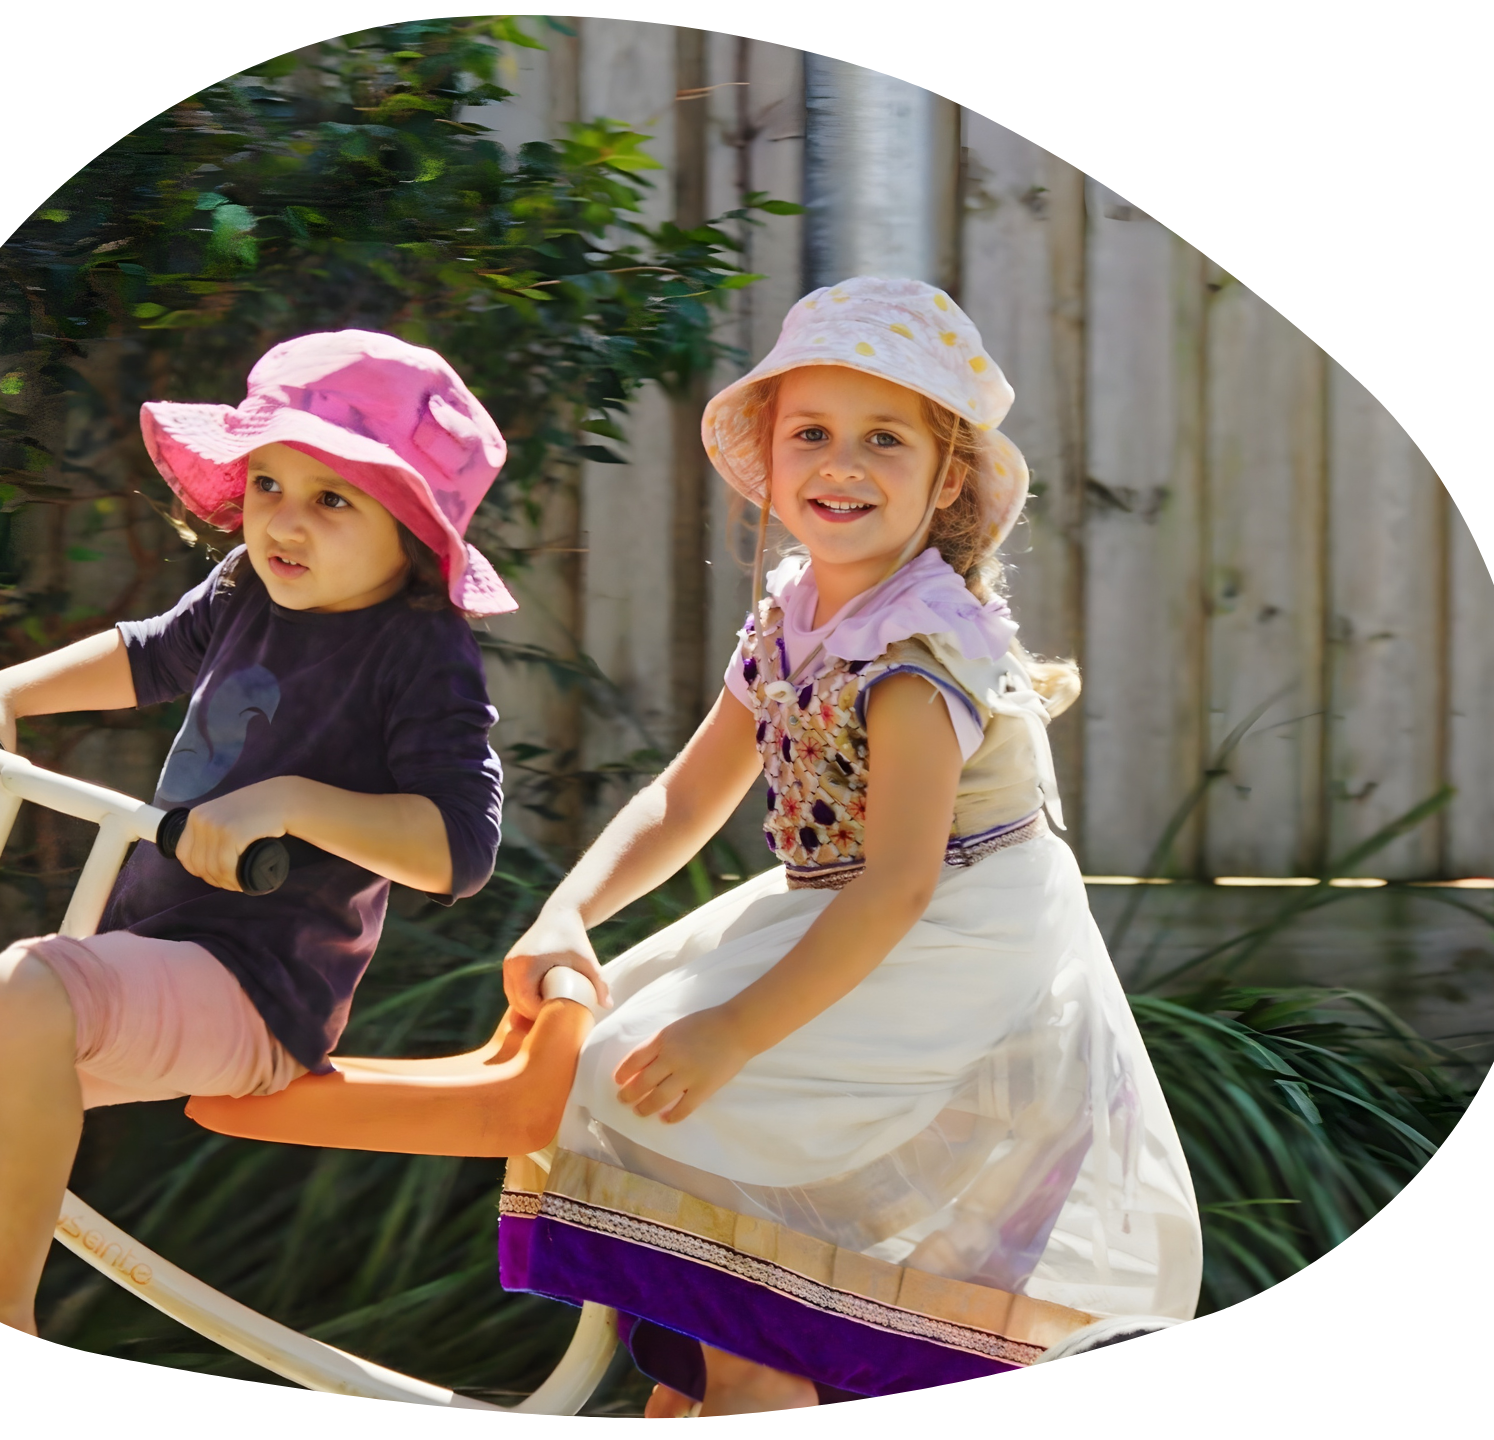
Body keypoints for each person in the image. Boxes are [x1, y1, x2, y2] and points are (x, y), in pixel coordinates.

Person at [495, 278, 1203, 1414]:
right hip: (842, 897)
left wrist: (734, 1030)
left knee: (667, 1082)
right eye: (811, 434)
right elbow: (686, 800)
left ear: (945, 479)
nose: (842, 464)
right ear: (768, 462)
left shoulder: (917, 656)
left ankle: (758, 1359)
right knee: (607, 1066)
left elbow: (898, 889)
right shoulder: (792, 610)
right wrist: (567, 909)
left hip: (951, 927)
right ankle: (721, 1357)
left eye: (884, 439)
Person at [0, 330, 514, 1334]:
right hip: (151, 950)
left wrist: (286, 801)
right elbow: (145, 655)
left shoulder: (419, 651)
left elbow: (459, 847)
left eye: (332, 498)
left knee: (19, 988)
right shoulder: (244, 590)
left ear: (411, 529)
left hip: (258, 990)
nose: (282, 518)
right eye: (269, 481)